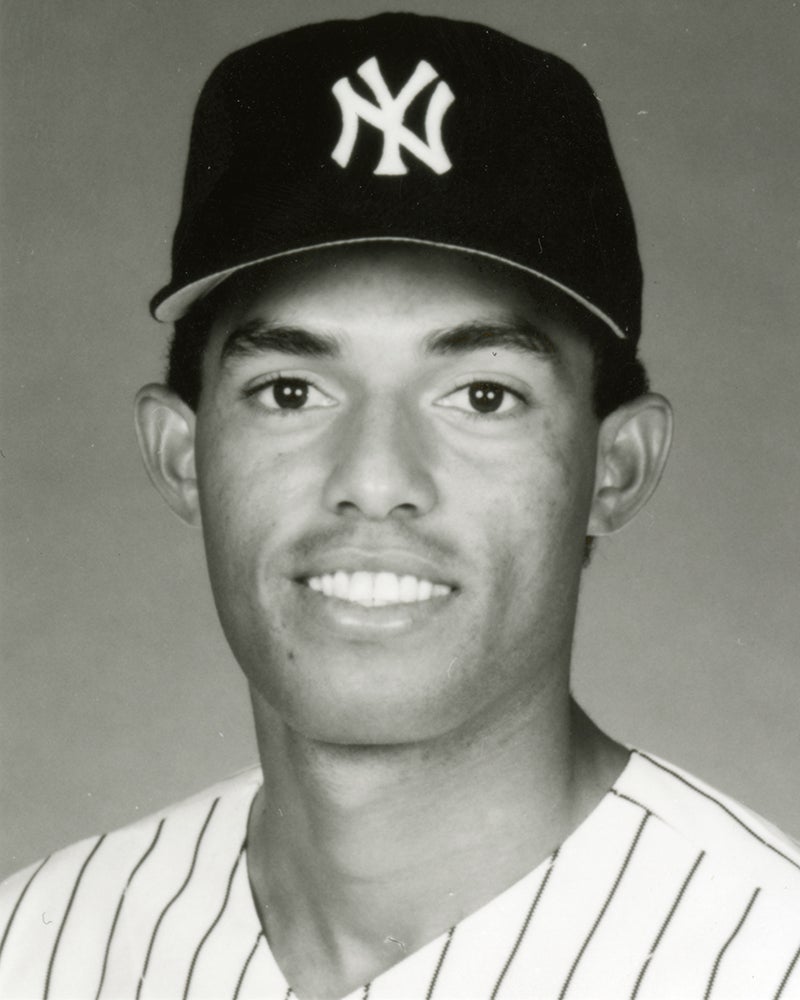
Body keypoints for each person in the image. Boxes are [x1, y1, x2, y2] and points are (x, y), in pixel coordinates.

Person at [1, 12, 798, 1000]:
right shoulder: (37, 947)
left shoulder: (766, 961)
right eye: (290, 391)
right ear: (181, 455)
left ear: (614, 467)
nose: (375, 478)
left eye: (482, 396)